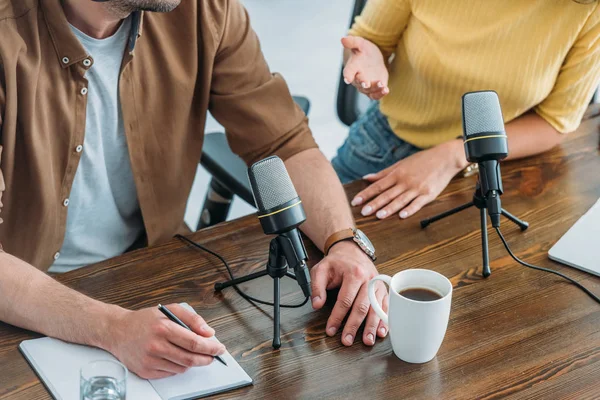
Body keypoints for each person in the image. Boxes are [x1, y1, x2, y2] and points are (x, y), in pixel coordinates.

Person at [0, 0, 388, 379]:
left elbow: (283, 142)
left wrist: (344, 241)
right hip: (24, 297)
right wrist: (111, 329)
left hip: (150, 266)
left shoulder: (203, 10)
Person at [333, 0, 600, 221]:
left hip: (494, 166)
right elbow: (366, 41)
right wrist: (366, 60)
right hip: (384, 148)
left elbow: (554, 122)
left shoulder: (589, 10)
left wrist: (455, 154)